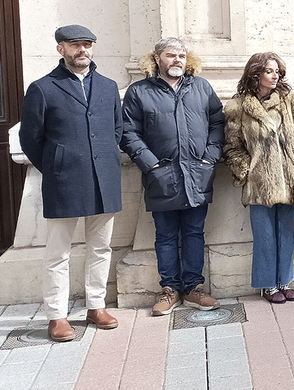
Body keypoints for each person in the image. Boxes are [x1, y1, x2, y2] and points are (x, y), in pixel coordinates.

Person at [20, 25, 122, 341]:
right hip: (64, 181)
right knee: (58, 253)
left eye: (87, 44)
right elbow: (30, 138)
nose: (83, 50)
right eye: (75, 44)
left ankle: (95, 306)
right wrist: (57, 165)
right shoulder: (43, 88)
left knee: (101, 247)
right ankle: (57, 316)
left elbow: (116, 130)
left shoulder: (108, 86)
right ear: (61, 49)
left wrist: (104, 159)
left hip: (104, 179)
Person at [121, 37, 225, 315]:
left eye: (181, 55)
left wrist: (210, 157)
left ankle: (193, 288)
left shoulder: (201, 87)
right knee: (165, 235)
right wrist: (151, 165)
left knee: (194, 232)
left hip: (197, 174)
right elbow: (128, 132)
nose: (177, 59)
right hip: (161, 176)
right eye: (171, 55)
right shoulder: (139, 91)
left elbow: (218, 122)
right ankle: (169, 289)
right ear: (157, 59)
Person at [223, 53, 294, 302]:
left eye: (277, 71)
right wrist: (246, 169)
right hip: (259, 183)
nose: (275, 75)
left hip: (288, 180)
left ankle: (284, 281)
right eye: (269, 71)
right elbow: (232, 146)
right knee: (264, 237)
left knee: (286, 233)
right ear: (255, 74)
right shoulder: (239, 106)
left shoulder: (291, 100)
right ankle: (268, 285)